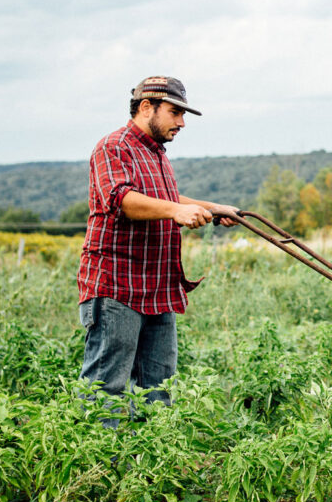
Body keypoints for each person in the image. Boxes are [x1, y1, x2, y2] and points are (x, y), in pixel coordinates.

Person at [76, 75, 237, 425]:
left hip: (157, 288)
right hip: (117, 286)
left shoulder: (156, 153)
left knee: (158, 389)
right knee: (105, 388)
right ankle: (97, 457)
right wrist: (177, 211)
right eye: (175, 112)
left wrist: (213, 209)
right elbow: (122, 200)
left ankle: (150, 457)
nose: (181, 123)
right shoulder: (113, 147)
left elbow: (166, 199)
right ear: (146, 107)